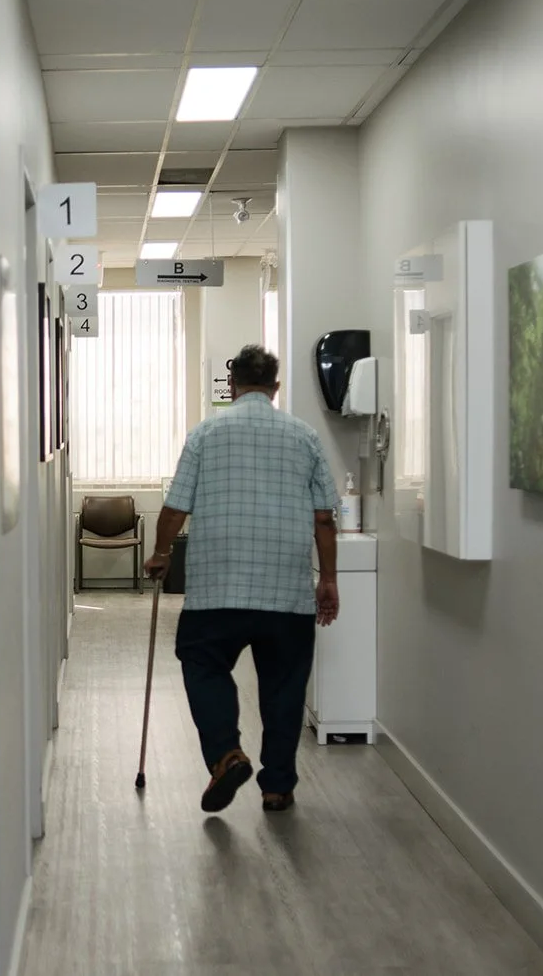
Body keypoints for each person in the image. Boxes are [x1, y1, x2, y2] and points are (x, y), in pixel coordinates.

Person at [144, 344, 340, 814]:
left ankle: (226, 754)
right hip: (286, 592)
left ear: (232, 386)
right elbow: (324, 519)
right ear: (275, 387)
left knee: (203, 664)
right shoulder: (305, 436)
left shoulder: (205, 433)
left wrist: (160, 553)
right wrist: (328, 579)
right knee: (285, 687)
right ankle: (277, 787)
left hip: (216, 590)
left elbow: (174, 508)